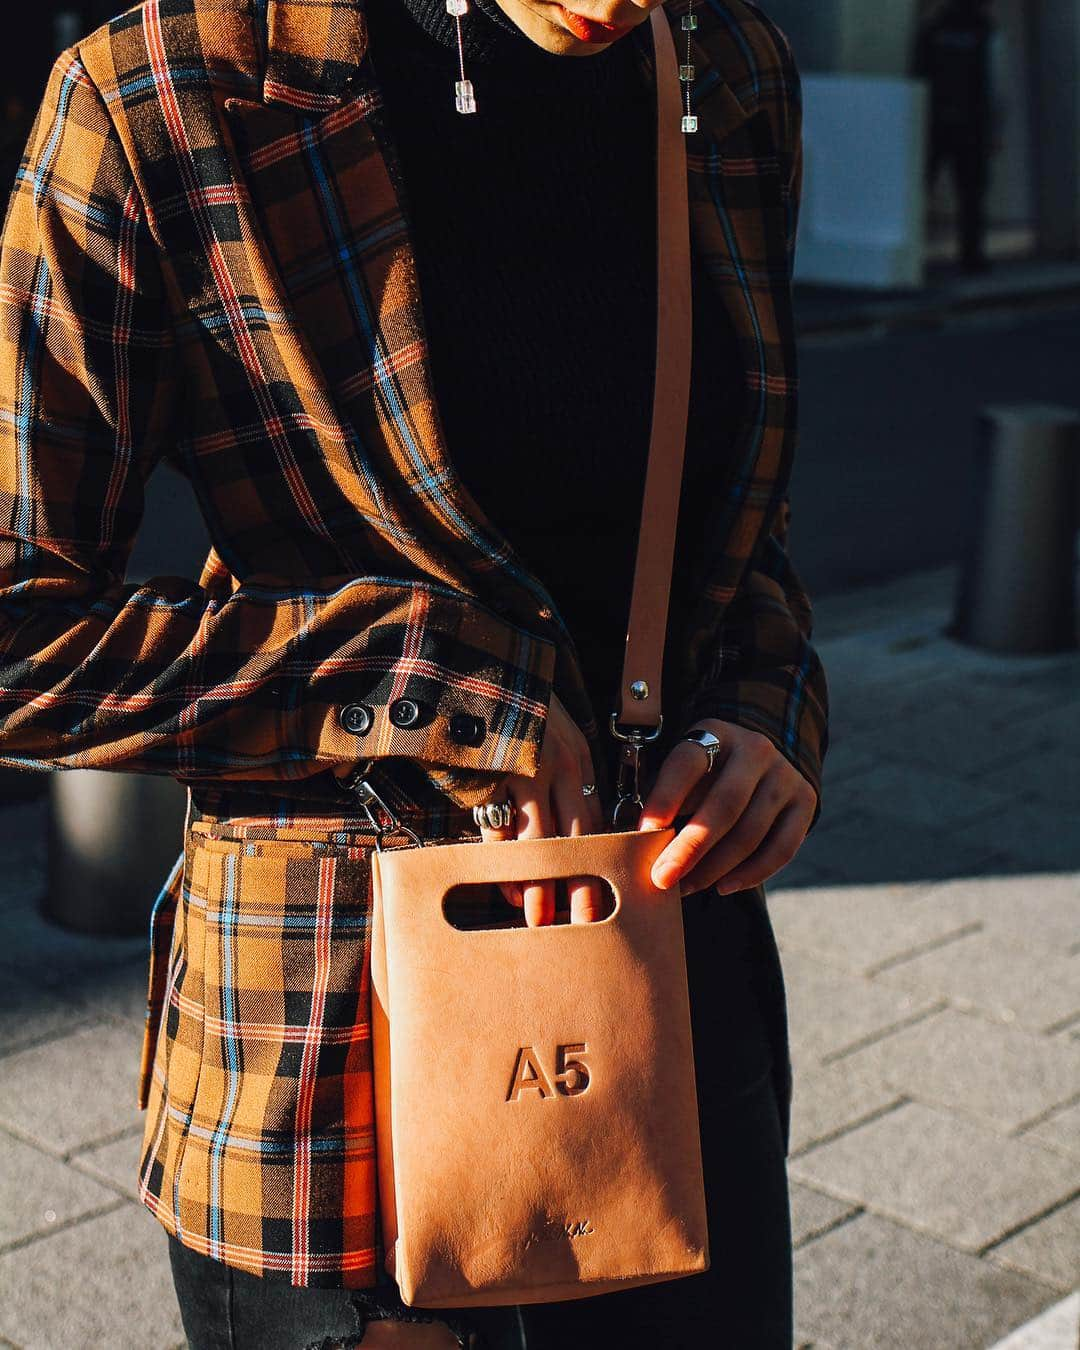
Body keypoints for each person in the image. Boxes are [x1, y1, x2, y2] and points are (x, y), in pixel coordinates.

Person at [0, 0, 828, 1344]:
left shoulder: (727, 71)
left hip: (660, 977)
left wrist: (767, 708)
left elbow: (742, 528)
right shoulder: (164, 93)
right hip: (331, 1044)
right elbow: (20, 631)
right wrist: (429, 672)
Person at [914, 0, 1008, 274]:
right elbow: (996, 85)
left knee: (923, 189)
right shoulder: (984, 31)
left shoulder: (933, 29)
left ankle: (915, 253)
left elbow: (917, 73)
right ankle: (971, 256)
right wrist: (996, 130)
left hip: (934, 123)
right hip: (972, 125)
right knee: (972, 193)